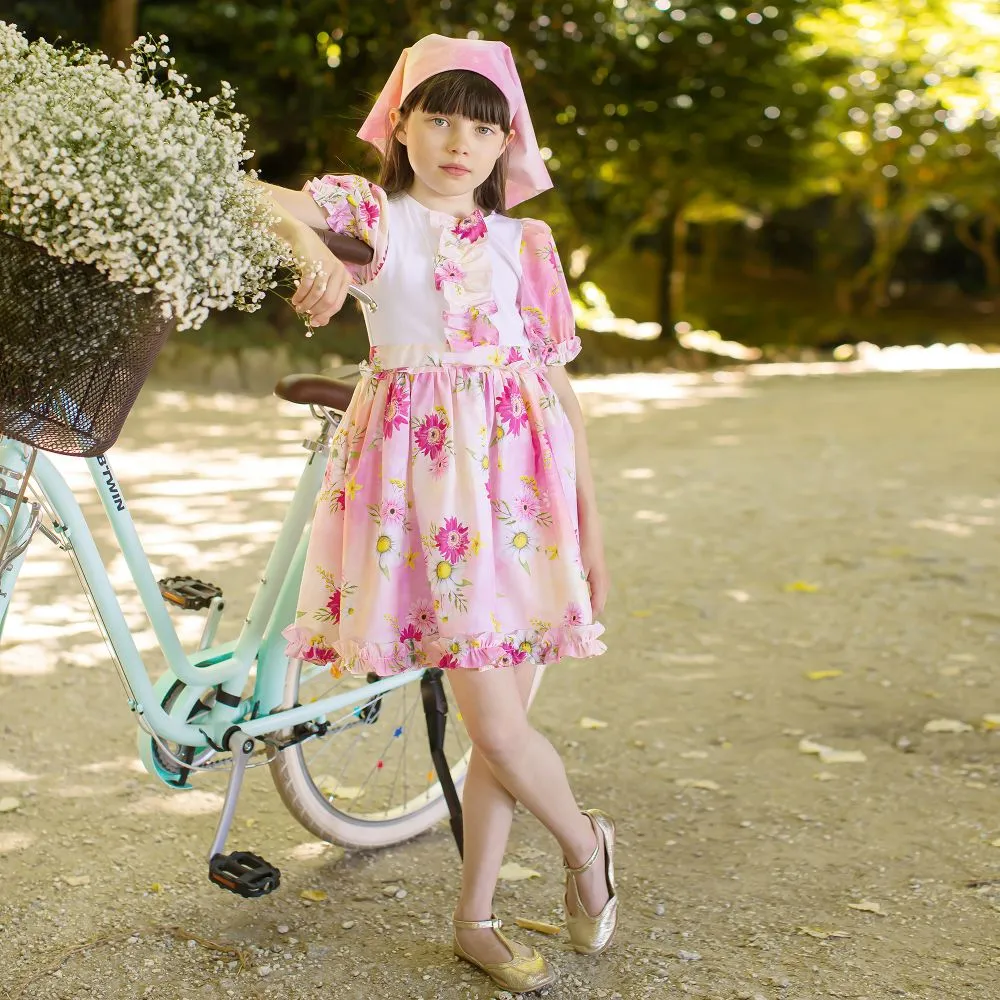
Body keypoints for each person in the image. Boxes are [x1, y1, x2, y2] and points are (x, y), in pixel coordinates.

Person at [261, 33, 614, 994]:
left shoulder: (525, 245)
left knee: (501, 722)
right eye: (440, 117)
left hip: (522, 502)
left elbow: (555, 392)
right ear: (403, 125)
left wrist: (590, 524)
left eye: (482, 124)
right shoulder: (371, 216)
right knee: (495, 721)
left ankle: (478, 917)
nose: (460, 141)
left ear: (508, 143)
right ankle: (588, 849)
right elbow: (255, 194)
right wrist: (316, 253)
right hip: (420, 504)